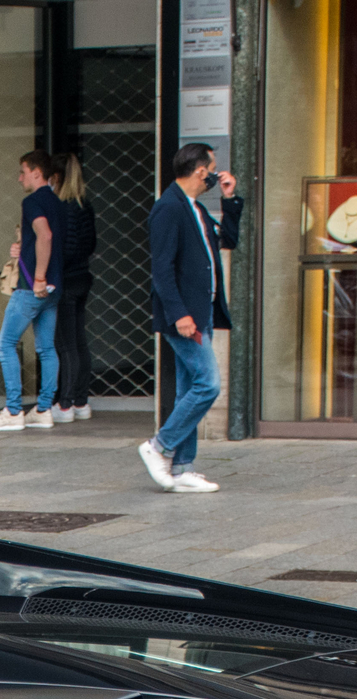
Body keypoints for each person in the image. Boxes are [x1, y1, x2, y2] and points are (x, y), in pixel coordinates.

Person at [140, 144, 241, 494]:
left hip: (201, 313)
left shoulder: (195, 208)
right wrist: (180, 314)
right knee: (208, 384)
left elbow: (227, 239)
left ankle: (183, 467)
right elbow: (162, 270)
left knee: (189, 389)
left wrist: (230, 200)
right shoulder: (168, 208)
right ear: (201, 170)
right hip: (185, 317)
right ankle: (159, 446)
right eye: (213, 168)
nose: (216, 174)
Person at [0, 151, 64, 432]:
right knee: (47, 348)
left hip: (32, 287)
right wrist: (22, 249)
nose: (19, 178)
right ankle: (43, 409)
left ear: (37, 173)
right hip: (54, 287)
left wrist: (37, 276)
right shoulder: (56, 202)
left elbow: (45, 235)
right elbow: (44, 239)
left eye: (23, 172)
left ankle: (14, 411)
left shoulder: (32, 202)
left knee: (4, 345)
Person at [50, 153, 97, 423]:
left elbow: (64, 250)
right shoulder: (83, 204)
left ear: (55, 178)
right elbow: (90, 245)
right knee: (79, 342)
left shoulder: (62, 208)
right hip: (83, 278)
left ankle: (65, 403)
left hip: (66, 281)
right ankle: (81, 400)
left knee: (65, 345)